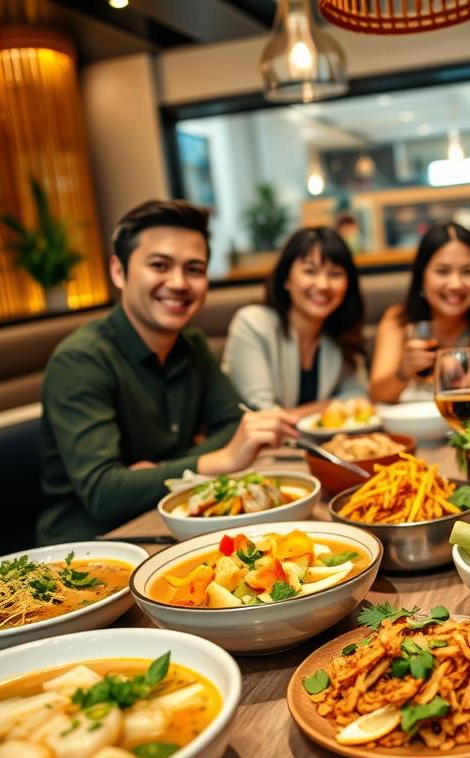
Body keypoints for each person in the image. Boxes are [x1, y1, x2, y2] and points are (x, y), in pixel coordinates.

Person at [38, 200, 295, 544]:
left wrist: (161, 471)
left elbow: (234, 427)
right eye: (160, 265)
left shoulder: (192, 345)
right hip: (89, 548)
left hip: (173, 522)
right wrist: (214, 461)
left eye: (194, 269)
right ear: (119, 271)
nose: (178, 283)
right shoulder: (80, 360)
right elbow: (104, 494)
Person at [222, 227, 366, 411]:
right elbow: (263, 415)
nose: (323, 284)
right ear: (286, 279)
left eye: (335, 274)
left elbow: (358, 400)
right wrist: (328, 406)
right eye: (310, 271)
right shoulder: (253, 324)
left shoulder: (339, 334)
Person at [370, 221, 470, 402]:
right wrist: (403, 371)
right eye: (442, 271)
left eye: (468, 271)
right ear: (421, 278)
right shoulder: (398, 320)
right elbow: (377, 396)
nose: (456, 284)